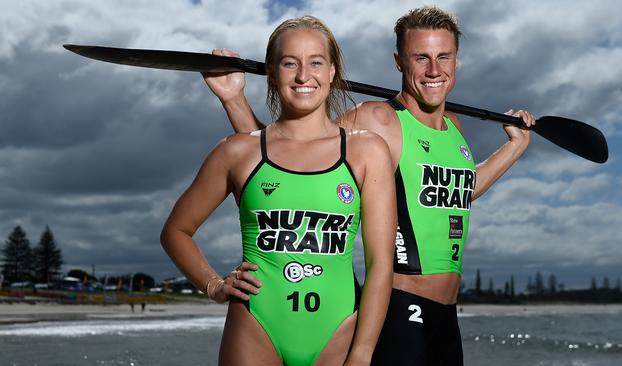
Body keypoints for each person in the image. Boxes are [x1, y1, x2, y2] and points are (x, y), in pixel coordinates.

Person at [204, 6, 535, 365]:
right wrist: (234, 100)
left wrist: (514, 147)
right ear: (399, 62)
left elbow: (459, 193)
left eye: (444, 57)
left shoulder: (454, 126)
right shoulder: (376, 119)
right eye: (421, 58)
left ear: (457, 60)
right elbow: (290, 152)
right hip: (397, 307)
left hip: (446, 313)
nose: (434, 70)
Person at [161, 15, 395, 366]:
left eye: (316, 62)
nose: (304, 76)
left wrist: (362, 354)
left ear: (332, 71)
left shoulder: (367, 151)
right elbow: (176, 231)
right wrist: (213, 285)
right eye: (290, 63)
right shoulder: (237, 151)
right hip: (256, 326)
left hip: (338, 330)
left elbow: (380, 265)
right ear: (272, 71)